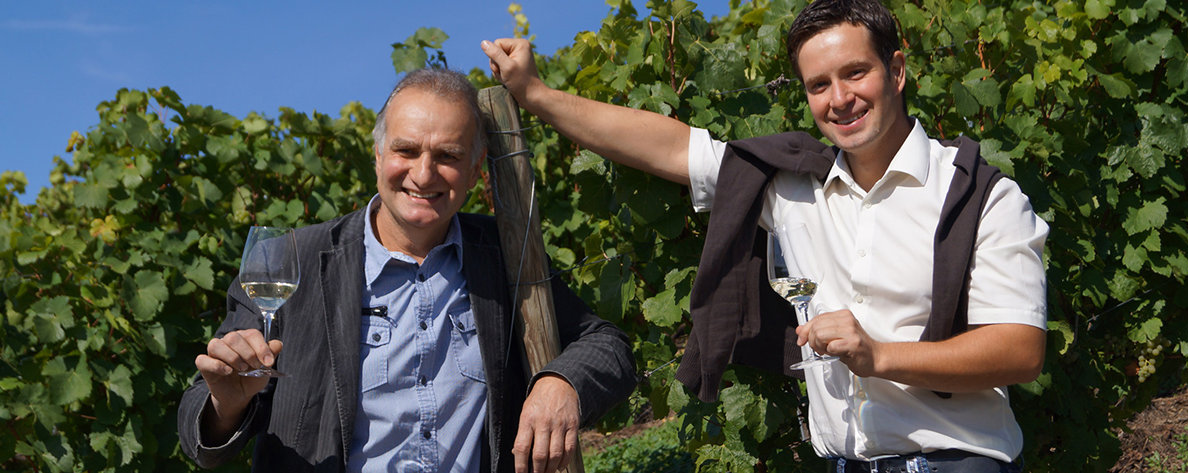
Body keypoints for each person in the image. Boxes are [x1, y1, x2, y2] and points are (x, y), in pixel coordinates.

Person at [481, 0, 1048, 471]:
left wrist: (878, 356)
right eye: (818, 84)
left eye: (855, 73)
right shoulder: (791, 188)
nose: (839, 99)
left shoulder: (981, 197)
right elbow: (669, 146)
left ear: (896, 71)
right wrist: (536, 95)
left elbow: (1019, 349)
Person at [177, 68, 637, 473]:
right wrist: (227, 403)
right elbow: (201, 435)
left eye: (448, 156)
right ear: (377, 156)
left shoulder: (504, 255)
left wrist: (561, 383)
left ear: (477, 168)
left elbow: (608, 347)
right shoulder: (295, 260)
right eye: (406, 150)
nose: (423, 173)